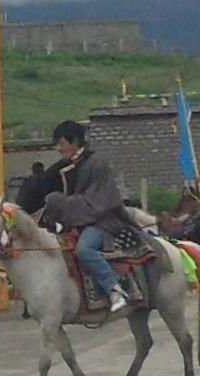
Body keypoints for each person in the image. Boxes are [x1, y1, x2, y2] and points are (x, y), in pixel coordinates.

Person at [39, 119, 132, 314]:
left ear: (74, 142)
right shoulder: (67, 166)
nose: (59, 149)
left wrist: (63, 203)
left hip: (103, 221)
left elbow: (98, 201)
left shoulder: (97, 163)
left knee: (84, 250)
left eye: (62, 144)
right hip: (77, 220)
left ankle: (115, 290)